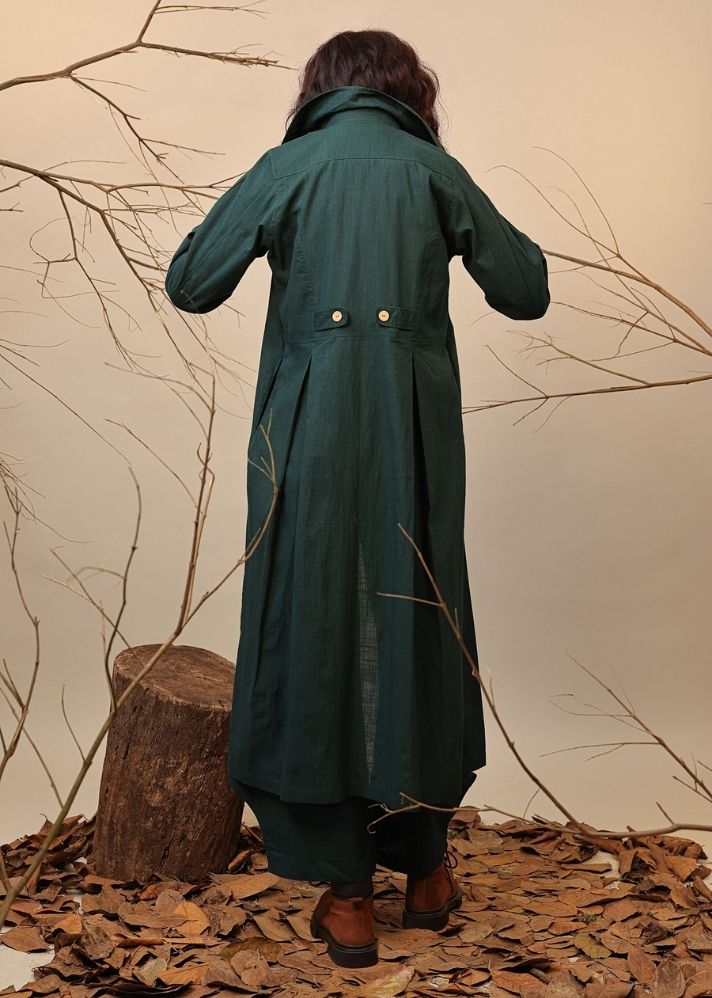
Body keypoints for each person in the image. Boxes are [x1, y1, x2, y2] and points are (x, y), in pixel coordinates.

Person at [164, 28, 550, 970]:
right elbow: (526, 289)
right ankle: (426, 870)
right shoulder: (432, 168)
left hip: (306, 441)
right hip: (415, 444)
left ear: (322, 89)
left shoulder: (288, 166)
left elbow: (190, 284)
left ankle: (346, 898)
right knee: (417, 621)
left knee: (311, 629)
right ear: (411, 91)